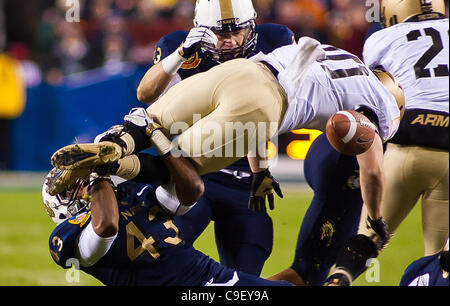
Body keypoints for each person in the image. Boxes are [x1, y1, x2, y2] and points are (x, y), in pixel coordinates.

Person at [49, 38, 402, 275]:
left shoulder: (342, 54)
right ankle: (112, 163)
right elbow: (370, 169)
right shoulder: (384, 107)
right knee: (178, 165)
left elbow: (145, 93)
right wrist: (374, 218)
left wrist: (260, 169)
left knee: (148, 121)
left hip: (241, 72)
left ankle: (118, 144)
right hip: (266, 105)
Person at [133, 0, 295, 275]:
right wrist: (180, 55)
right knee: (158, 254)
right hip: (195, 172)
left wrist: (261, 169)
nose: (230, 41)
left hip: (245, 183)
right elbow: (145, 94)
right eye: (221, 34)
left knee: (246, 271)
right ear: (202, 30)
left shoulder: (276, 40)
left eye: (237, 32)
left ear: (251, 27)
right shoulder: (183, 46)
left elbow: (254, 111)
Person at [325, 0, 449, 286]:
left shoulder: (381, 39)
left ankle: (339, 279)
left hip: (405, 146)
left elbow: (376, 95)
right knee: (439, 261)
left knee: (369, 237)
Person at [43, 151, 293, 286]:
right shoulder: (71, 237)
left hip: (215, 278)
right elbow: (106, 226)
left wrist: (160, 141)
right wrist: (98, 175)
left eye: (81, 177)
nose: (81, 183)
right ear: (57, 205)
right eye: (70, 186)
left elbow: (192, 190)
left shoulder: (130, 195)